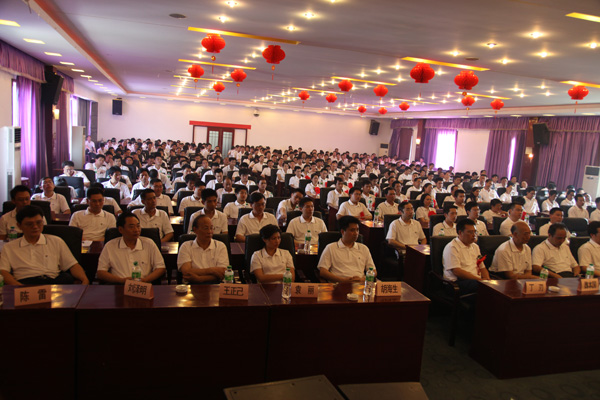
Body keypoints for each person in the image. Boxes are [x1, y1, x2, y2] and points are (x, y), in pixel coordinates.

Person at [0, 205, 89, 285]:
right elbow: (3, 271)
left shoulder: (56, 241)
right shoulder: (9, 247)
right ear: (19, 226)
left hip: (52, 283)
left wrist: (84, 280)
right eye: (29, 224)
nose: (35, 227)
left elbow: (72, 265)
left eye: (39, 222)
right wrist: (20, 288)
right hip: (24, 283)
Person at [97, 211, 166, 284]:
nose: (136, 230)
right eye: (131, 227)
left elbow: (160, 268)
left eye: (138, 226)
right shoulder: (110, 246)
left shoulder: (149, 243)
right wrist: (122, 281)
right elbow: (101, 272)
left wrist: (145, 280)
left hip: (144, 286)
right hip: (119, 286)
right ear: (120, 229)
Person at [317, 216, 376, 282]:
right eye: (352, 230)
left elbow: (373, 271)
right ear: (342, 231)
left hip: (360, 284)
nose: (356, 233)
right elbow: (323, 271)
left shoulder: (364, 248)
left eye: (357, 230)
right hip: (338, 284)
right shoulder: (330, 248)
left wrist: (363, 279)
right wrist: (342, 280)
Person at [442, 219, 490, 295]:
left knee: (493, 287)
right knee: (483, 289)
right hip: (457, 283)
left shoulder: (475, 247)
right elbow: (457, 271)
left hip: (475, 280)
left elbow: (482, 267)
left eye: (475, 232)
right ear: (460, 233)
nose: (474, 235)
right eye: (470, 232)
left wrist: (487, 280)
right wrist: (481, 280)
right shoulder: (452, 247)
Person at [177, 214, 229, 284]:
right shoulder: (186, 246)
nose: (209, 232)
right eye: (206, 228)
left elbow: (222, 273)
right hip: (191, 285)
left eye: (211, 228)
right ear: (195, 230)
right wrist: (212, 270)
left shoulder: (220, 246)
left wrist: (200, 279)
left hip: (215, 285)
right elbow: (186, 272)